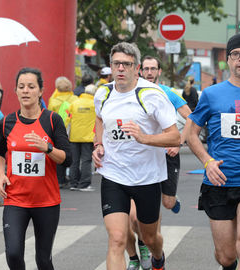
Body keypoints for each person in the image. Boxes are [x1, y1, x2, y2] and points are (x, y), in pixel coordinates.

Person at [92, 42, 180, 270]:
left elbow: (175, 137)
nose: (121, 68)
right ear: (110, 66)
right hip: (113, 174)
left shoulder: (152, 95)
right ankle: (134, 259)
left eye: (127, 64)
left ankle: (158, 257)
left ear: (137, 68)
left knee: (150, 238)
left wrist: (144, 138)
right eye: (116, 63)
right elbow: (99, 118)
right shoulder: (103, 93)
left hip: (147, 177)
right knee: (117, 238)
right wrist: (98, 143)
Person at [0, 67, 72, 270]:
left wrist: (47, 148)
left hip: (46, 201)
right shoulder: (6, 122)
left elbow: (67, 159)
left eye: (31, 86)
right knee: (13, 254)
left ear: (40, 91)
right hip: (16, 199)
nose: (26, 91)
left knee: (43, 260)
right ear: (16, 91)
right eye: (21, 87)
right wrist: (1, 175)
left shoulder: (52, 120)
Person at [124, 55, 192, 270]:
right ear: (139, 71)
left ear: (159, 72)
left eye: (154, 69)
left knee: (168, 204)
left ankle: (169, 200)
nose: (150, 72)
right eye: (146, 68)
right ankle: (146, 244)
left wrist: (179, 142)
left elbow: (191, 116)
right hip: (142, 159)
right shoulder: (131, 93)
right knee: (135, 217)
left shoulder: (167, 93)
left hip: (168, 154)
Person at [187, 33, 240, 270]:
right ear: (228, 60)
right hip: (219, 181)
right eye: (236, 54)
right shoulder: (211, 94)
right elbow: (190, 134)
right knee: (226, 256)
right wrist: (207, 161)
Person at [48, 76, 78, 188]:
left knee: (59, 154)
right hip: (72, 130)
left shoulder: (53, 100)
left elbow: (49, 116)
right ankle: (73, 178)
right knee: (73, 154)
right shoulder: (75, 99)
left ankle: (60, 180)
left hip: (58, 130)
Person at [69, 84, 97, 191]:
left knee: (74, 160)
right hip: (88, 136)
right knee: (86, 160)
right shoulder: (95, 104)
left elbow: (68, 118)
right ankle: (84, 184)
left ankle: (73, 183)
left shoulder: (74, 103)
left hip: (74, 136)